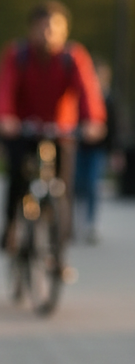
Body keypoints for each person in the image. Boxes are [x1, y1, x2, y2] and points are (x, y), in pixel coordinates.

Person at [0, 0, 106, 249]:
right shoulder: (17, 55)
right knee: (17, 176)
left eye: (55, 28)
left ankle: (59, 248)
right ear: (30, 29)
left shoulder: (73, 57)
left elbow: (88, 92)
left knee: (63, 185)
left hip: (61, 131)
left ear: (65, 31)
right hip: (24, 129)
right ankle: (10, 225)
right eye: (42, 28)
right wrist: (5, 117)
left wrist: (93, 122)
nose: (48, 34)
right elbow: (4, 90)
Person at [74, 60, 117, 244]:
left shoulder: (109, 99)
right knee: (76, 185)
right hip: (79, 147)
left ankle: (91, 223)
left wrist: (115, 151)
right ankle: (75, 221)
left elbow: (114, 127)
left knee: (92, 184)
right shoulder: (80, 97)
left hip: (97, 150)